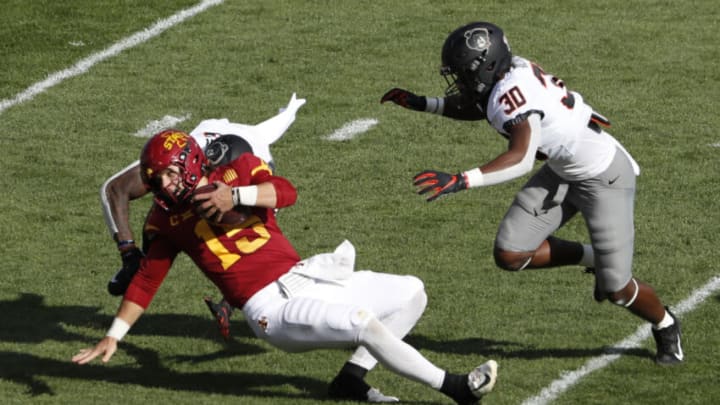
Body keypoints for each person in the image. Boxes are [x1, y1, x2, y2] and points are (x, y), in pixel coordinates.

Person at [73, 129, 499, 404]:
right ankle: (457, 388)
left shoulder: (237, 171)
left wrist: (233, 197)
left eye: (167, 175)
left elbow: (287, 192)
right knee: (364, 322)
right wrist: (114, 337)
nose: (161, 186)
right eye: (156, 179)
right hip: (267, 309)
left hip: (306, 276)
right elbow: (148, 278)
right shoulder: (165, 219)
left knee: (412, 291)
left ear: (189, 165)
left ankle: (351, 380)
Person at [381, 21, 683, 366]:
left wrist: (462, 179)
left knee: (618, 290)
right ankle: (594, 257)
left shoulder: (512, 92)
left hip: (604, 177)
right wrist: (424, 104)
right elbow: (479, 108)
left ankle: (666, 323)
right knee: (511, 253)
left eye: (465, 72)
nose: (460, 81)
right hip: (563, 170)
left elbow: (522, 158)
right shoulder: (508, 76)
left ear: (489, 65)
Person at [100, 93, 306, 339]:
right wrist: (128, 251)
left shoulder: (253, 160)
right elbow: (114, 189)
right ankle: (135, 261)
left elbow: (280, 194)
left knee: (252, 230)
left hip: (242, 185)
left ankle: (230, 302)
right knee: (160, 228)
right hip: (184, 165)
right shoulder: (174, 157)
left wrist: (239, 196)